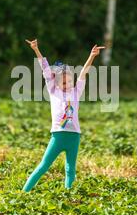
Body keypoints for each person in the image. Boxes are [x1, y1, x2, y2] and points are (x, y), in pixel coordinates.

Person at [22, 38, 105, 192]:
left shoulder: (76, 92)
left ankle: (68, 195)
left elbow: (83, 74)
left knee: (70, 169)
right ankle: (24, 192)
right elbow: (45, 69)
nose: (68, 85)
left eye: (70, 82)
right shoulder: (53, 91)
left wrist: (92, 56)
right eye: (64, 83)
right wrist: (36, 50)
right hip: (58, 136)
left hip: (74, 136)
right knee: (44, 165)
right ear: (57, 83)